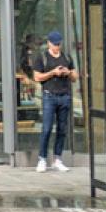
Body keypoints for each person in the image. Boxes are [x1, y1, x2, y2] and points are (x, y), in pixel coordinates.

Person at [30, 29, 77, 172]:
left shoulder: (67, 57)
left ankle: (58, 159)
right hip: (49, 96)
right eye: (54, 44)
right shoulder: (42, 58)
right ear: (48, 43)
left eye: (58, 44)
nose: (57, 47)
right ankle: (42, 159)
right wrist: (53, 73)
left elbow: (75, 77)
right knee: (47, 128)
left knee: (62, 130)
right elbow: (37, 77)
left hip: (64, 96)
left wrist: (67, 72)